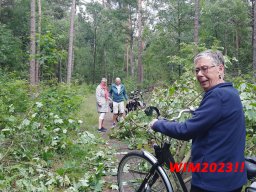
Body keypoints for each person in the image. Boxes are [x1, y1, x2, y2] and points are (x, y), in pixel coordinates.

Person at [150, 50, 247, 192]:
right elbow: (219, 116)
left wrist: (157, 124)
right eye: (197, 70)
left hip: (213, 182)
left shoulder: (217, 95)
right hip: (231, 176)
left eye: (204, 68)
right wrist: (199, 111)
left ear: (220, 69)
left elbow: (186, 131)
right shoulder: (230, 92)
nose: (200, 74)